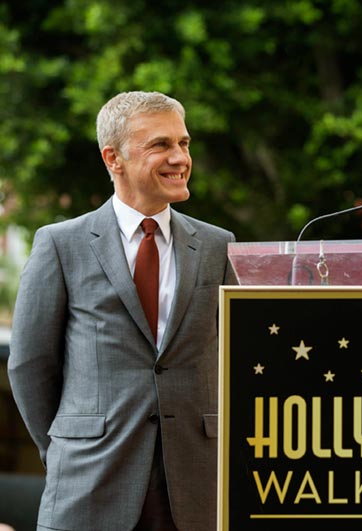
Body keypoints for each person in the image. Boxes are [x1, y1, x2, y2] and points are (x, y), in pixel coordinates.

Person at [8, 91, 236, 531]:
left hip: (196, 486)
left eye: (184, 143)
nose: (180, 157)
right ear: (113, 157)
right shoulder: (61, 244)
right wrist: (68, 444)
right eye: (161, 145)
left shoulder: (218, 245)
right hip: (90, 482)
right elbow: (30, 364)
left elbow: (234, 357)